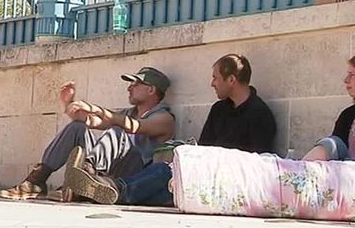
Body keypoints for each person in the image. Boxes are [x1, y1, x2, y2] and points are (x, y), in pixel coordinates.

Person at [64, 54, 277, 206]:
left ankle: (111, 190)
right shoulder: (219, 109)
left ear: (231, 80)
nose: (212, 83)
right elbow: (204, 147)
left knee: (166, 181)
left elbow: (259, 163)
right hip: (206, 172)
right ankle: (99, 190)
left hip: (229, 180)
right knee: (167, 173)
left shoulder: (260, 114)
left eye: (215, 78)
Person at [0, 67, 175, 200]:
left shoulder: (164, 118)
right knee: (78, 127)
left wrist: (99, 111)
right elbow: (94, 121)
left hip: (135, 175)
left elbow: (133, 126)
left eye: (135, 84)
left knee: (118, 129)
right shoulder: (127, 113)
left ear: (151, 89)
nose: (129, 88)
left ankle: (86, 176)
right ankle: (37, 180)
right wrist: (71, 105)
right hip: (108, 169)